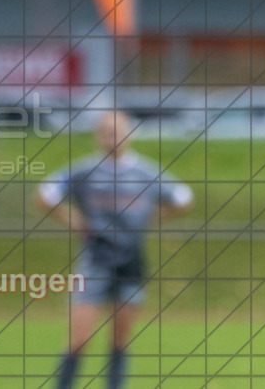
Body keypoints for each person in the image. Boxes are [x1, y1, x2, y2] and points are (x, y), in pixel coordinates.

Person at [36, 111, 193, 389]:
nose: (113, 136)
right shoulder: (84, 171)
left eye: (118, 130)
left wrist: (151, 217)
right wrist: (73, 219)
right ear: (99, 136)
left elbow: (183, 198)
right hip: (95, 261)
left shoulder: (145, 172)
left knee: (120, 340)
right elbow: (46, 193)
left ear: (129, 134)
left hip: (131, 263)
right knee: (79, 338)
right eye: (107, 131)